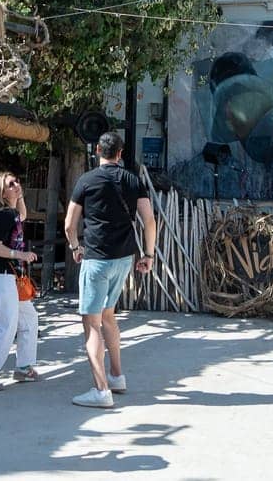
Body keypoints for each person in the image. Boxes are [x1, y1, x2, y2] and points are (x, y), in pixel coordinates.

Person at [64, 130, 156, 409]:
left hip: (96, 258)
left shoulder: (87, 180)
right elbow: (149, 220)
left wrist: (75, 247)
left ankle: (101, 390)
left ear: (97, 152)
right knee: (108, 316)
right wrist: (149, 254)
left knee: (90, 324)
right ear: (120, 153)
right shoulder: (133, 180)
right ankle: (117, 376)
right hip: (123, 259)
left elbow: (70, 223)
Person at [0, 171, 40, 390]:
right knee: (6, 326)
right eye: (11, 184)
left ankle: (24, 366)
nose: (17, 185)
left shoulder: (11, 214)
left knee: (29, 318)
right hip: (2, 276)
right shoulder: (3, 216)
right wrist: (19, 255)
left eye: (17, 181)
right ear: (2, 192)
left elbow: (22, 215)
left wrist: (19, 195)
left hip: (10, 277)